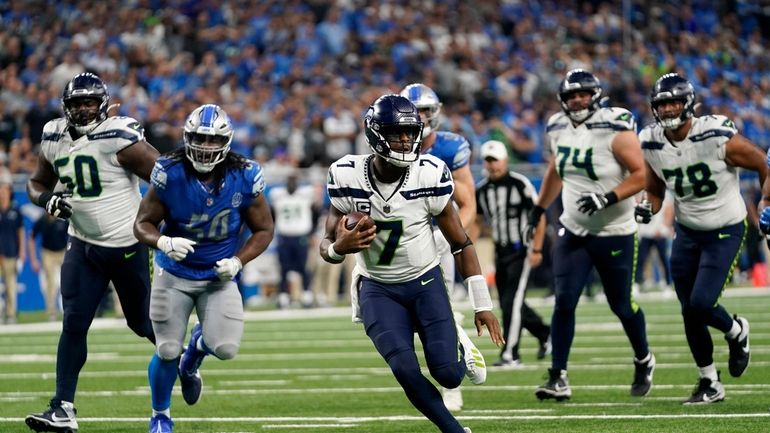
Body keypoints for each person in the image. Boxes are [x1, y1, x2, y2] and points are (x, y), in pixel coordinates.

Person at [320, 95, 503, 433]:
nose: (406, 140)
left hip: (424, 282)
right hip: (377, 287)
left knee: (448, 373)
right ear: (375, 135)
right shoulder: (346, 174)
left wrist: (482, 304)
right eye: (396, 133)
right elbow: (326, 243)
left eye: (410, 132)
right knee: (404, 368)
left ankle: (458, 339)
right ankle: (454, 429)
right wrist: (338, 248)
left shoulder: (429, 173)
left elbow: (461, 243)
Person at [25, 72, 158, 433]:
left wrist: (155, 226)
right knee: (74, 322)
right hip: (82, 243)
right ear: (65, 107)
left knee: (141, 322)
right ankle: (63, 407)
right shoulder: (53, 135)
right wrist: (47, 199)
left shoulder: (120, 136)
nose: (83, 109)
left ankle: (186, 356)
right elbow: (36, 183)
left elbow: (164, 178)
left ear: (102, 103)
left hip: (126, 244)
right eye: (76, 103)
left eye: (89, 102)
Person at [134, 104, 274, 433]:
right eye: (199, 138)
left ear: (225, 142)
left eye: (213, 140)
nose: (206, 147)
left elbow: (264, 229)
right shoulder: (169, 171)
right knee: (166, 347)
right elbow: (142, 224)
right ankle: (160, 415)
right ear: (187, 138)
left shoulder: (245, 174)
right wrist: (163, 243)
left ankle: (195, 353)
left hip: (217, 275)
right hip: (174, 272)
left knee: (224, 348)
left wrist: (239, 260)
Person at [529, 69, 655, 401]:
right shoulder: (556, 126)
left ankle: (644, 359)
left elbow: (642, 174)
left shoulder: (615, 126)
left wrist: (608, 196)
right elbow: (556, 169)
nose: (578, 100)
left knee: (622, 306)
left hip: (615, 231)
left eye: (584, 94)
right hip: (574, 229)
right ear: (563, 100)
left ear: (596, 95)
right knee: (564, 300)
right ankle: (558, 377)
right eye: (572, 96)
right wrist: (539, 208)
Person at [637, 73, 761, 404]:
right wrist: (646, 207)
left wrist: (765, 203)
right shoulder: (650, 140)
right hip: (688, 231)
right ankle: (710, 382)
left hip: (725, 228)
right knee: (689, 311)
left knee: (702, 303)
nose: (668, 109)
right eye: (662, 104)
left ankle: (737, 330)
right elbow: (654, 189)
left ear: (689, 103)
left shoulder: (716, 135)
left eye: (674, 102)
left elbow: (764, 165)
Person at [400, 83, 478, 411]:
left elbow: (467, 201)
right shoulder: (392, 143)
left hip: (438, 236)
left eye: (425, 111)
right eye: (413, 111)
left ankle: (451, 378)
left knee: (437, 306)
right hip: (401, 238)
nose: (419, 117)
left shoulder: (449, 147)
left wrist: (453, 239)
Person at [475, 140, 551, 367]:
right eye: (488, 161)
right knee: (509, 303)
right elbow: (478, 220)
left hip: (521, 250)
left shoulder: (520, 184)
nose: (492, 166)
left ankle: (511, 353)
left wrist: (536, 248)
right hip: (501, 251)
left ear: (505, 160)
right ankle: (545, 333)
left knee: (512, 302)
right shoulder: (482, 189)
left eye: (495, 161)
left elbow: (540, 216)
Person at [268, 172, 320, 308]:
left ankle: (307, 296)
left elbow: (316, 211)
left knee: (303, 267)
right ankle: (284, 297)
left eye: (294, 182)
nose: (291, 185)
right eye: (289, 182)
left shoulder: (306, 194)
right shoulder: (277, 195)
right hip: (284, 236)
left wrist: (312, 231)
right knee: (284, 268)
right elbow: (272, 214)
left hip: (301, 236)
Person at [28, 212, 69, 321]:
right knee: (50, 283)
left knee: (68, 280)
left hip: (62, 251)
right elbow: (31, 237)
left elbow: (72, 235)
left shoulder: (62, 218)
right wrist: (33, 259)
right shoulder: (42, 220)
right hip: (48, 253)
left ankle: (69, 309)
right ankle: (51, 311)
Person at [0, 179, 24, 324]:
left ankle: (10, 314)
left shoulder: (15, 210)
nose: (2, 193)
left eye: (4, 190)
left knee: (11, 285)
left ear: (9, 192)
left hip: (11, 253)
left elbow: (21, 233)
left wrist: (22, 253)